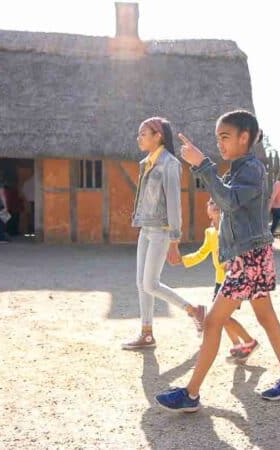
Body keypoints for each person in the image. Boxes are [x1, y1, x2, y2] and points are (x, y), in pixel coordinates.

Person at [155, 110, 280, 412]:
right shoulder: (240, 168)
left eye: (225, 137)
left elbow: (227, 202)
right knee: (266, 318)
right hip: (253, 255)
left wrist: (203, 165)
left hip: (247, 257)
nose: (220, 144)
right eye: (217, 138)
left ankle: (191, 394)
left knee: (212, 321)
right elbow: (225, 199)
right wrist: (204, 167)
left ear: (244, 137)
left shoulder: (251, 169)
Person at [122, 117, 206, 350]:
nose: (139, 138)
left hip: (161, 231)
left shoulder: (170, 164)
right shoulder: (145, 163)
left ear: (158, 135)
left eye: (143, 133)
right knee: (141, 284)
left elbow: (174, 204)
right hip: (145, 228)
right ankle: (147, 333)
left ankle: (194, 310)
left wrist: (174, 240)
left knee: (150, 284)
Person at [179, 197, 259, 364]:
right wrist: (182, 260)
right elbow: (201, 253)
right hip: (219, 282)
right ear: (207, 211)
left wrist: (233, 263)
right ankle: (239, 346)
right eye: (210, 202)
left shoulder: (231, 228)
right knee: (222, 318)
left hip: (235, 279)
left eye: (217, 202)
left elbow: (242, 248)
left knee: (221, 317)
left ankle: (249, 342)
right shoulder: (209, 233)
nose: (214, 205)